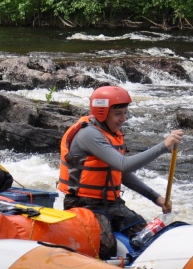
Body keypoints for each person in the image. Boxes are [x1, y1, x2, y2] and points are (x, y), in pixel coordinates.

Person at [58, 85, 183, 257]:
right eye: (118, 114)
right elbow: (124, 165)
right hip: (83, 203)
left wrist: (156, 198)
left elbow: (121, 174)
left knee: (147, 236)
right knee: (106, 247)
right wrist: (163, 146)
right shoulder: (89, 135)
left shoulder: (111, 132)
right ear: (102, 113)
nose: (123, 119)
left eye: (125, 113)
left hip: (112, 203)